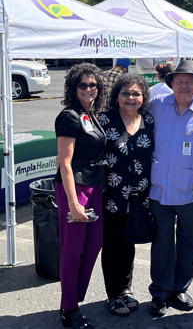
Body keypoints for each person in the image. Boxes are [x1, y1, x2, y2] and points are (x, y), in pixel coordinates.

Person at [147, 60, 193, 317]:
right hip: (160, 190)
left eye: (190, 82)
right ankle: (160, 292)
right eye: (180, 82)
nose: (184, 86)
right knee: (162, 244)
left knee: (190, 243)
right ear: (171, 84)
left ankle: (180, 288)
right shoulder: (156, 106)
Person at [54, 62, 107, 329]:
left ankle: (74, 298)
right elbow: (64, 162)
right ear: (74, 88)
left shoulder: (90, 114)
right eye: (83, 85)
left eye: (93, 84)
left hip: (94, 186)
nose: (89, 89)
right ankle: (69, 308)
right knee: (73, 250)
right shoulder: (69, 116)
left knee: (94, 243)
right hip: (75, 188)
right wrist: (73, 203)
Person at [99, 74, 154, 317]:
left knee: (129, 241)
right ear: (117, 96)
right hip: (112, 194)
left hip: (141, 194)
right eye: (126, 93)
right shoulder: (104, 120)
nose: (130, 98)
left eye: (136, 94)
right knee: (112, 244)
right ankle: (113, 294)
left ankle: (126, 289)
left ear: (143, 98)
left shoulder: (149, 121)